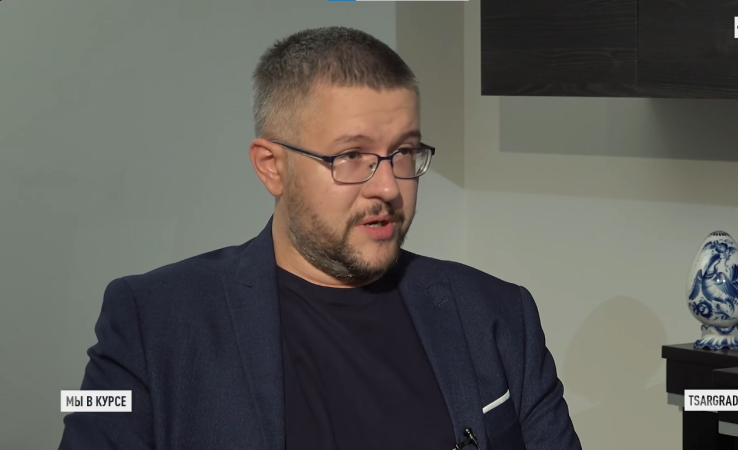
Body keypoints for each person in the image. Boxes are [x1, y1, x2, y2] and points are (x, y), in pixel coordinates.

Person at [59, 26, 581, 450]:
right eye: (350, 156)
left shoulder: (496, 313)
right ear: (272, 167)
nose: (388, 187)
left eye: (403, 152)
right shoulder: (149, 318)